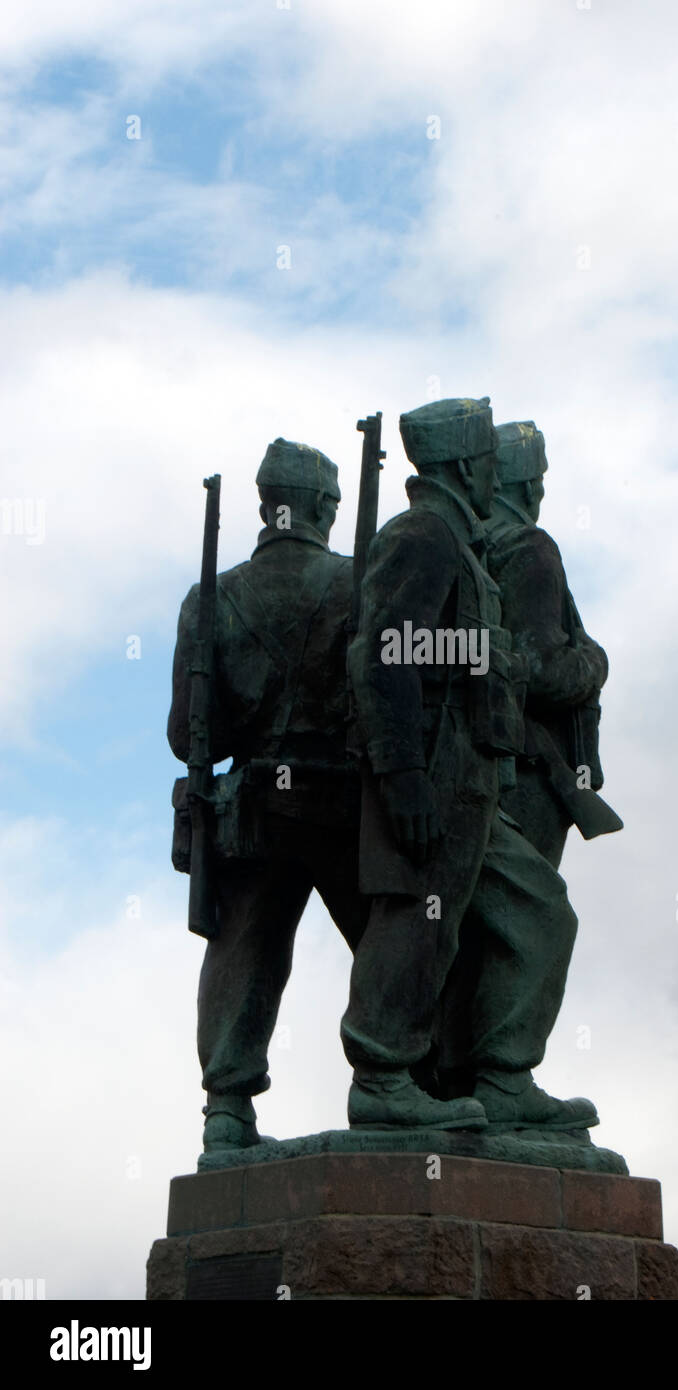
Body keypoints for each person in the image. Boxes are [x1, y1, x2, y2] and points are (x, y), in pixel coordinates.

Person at [340, 397, 598, 1130]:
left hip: (475, 776)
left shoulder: (460, 541)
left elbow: (450, 649)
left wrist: (496, 661)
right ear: (462, 465)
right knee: (416, 921)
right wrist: (403, 777)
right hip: (431, 772)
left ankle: (504, 1074)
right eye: (488, 463)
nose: (498, 478)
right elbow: (382, 652)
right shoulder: (425, 535)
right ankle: (382, 1075)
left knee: (540, 916)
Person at [168, 440, 368, 1151]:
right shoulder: (359, 582)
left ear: (264, 506)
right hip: (341, 804)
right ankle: (395, 1080)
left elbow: (188, 736)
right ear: (319, 506)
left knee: (243, 953)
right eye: (335, 502)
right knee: (387, 941)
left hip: (252, 809)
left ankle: (227, 1105)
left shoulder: (213, 597)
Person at [485, 420, 620, 867]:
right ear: (529, 485)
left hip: (487, 763)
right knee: (531, 922)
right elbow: (541, 670)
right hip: (529, 768)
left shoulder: (469, 541)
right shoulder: (527, 546)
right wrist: (595, 662)